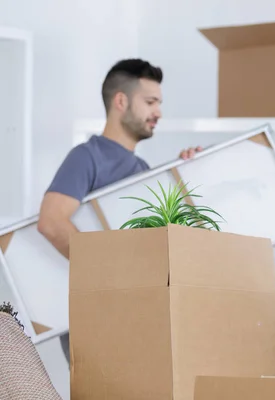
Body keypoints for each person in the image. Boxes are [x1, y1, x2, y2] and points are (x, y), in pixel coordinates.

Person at [37, 58, 202, 365]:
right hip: (96, 315)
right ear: (121, 101)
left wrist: (186, 175)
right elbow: (50, 222)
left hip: (134, 311)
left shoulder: (143, 171)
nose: (158, 113)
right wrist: (108, 268)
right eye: (150, 102)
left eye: (160, 103)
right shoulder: (87, 157)